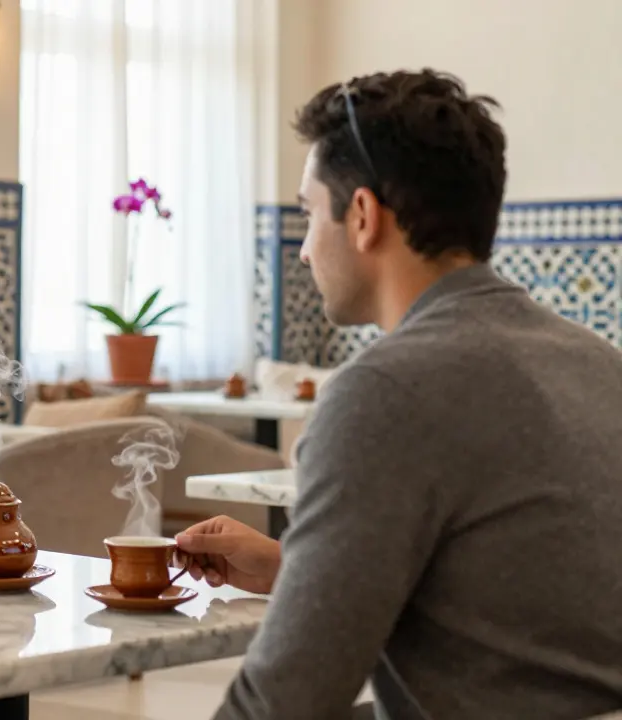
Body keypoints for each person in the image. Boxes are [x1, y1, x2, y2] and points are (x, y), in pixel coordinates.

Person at [177, 70, 622, 719]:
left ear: (362, 216)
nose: (303, 252)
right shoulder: (598, 363)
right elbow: (528, 603)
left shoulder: (382, 394)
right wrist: (292, 571)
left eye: (308, 214)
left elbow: (283, 704)